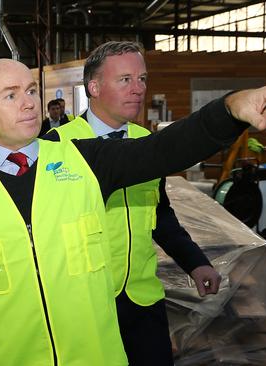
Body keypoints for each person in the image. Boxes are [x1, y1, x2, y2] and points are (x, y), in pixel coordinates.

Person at [0, 58, 266, 366]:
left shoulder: (86, 161)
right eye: (10, 95)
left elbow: (162, 151)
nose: (28, 102)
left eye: (30, 89)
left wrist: (231, 109)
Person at [43, 41, 221, 365]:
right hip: (86, 303)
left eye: (142, 79)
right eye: (125, 79)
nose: (138, 89)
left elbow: (159, 212)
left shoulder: (147, 144)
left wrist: (195, 261)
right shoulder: (57, 147)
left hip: (143, 300)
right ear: (93, 87)